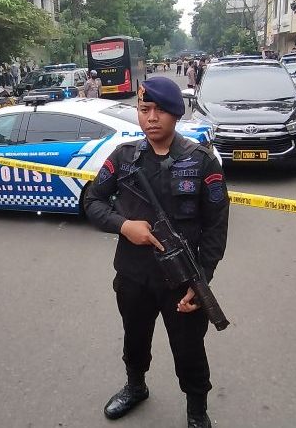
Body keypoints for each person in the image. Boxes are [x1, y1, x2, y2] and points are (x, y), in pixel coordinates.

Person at [84, 77, 229, 428]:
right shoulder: (123, 157)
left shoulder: (201, 162)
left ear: (176, 114)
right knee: (134, 337)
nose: (151, 117)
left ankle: (197, 410)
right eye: (144, 109)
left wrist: (202, 279)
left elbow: (215, 226)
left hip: (180, 279)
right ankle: (136, 387)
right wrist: (124, 225)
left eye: (160, 110)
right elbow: (92, 200)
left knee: (189, 349)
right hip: (133, 276)